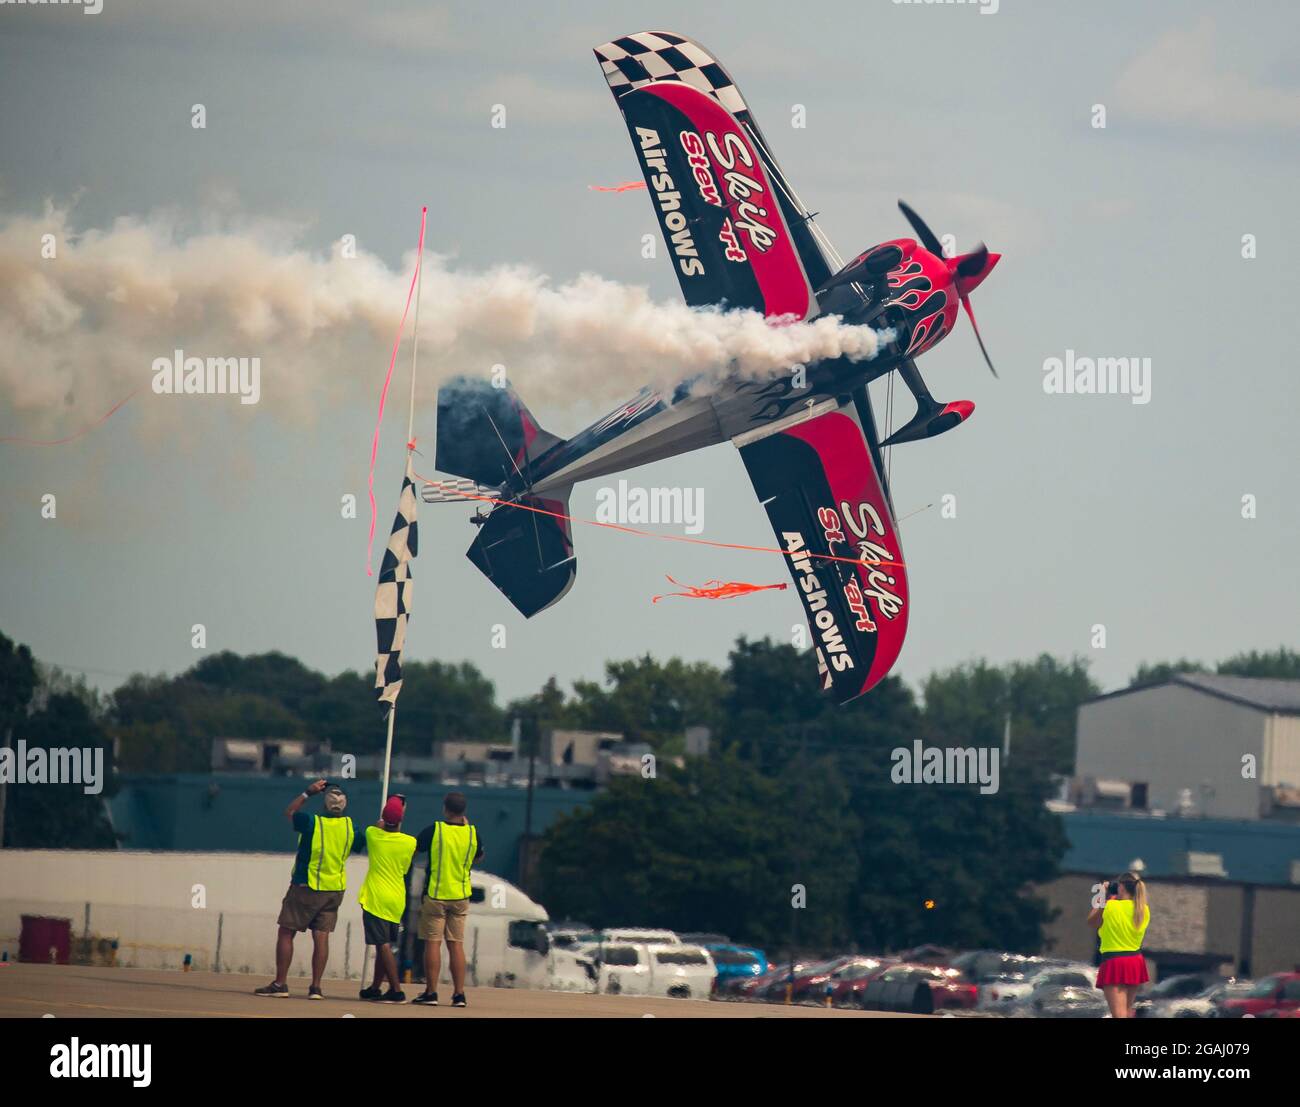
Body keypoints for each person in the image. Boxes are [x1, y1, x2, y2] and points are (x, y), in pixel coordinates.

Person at [255, 780, 356, 999]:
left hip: (306, 886)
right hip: (334, 891)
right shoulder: (351, 828)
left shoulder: (311, 822)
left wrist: (307, 792)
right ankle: (316, 987)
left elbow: (290, 811)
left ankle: (280, 983)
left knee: (286, 932)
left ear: (326, 804)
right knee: (321, 937)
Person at [411, 791, 484, 1008]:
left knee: (433, 943)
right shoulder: (472, 833)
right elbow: (478, 856)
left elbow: (413, 850)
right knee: (456, 945)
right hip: (461, 895)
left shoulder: (435, 830)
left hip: (436, 894)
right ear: (463, 811)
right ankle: (459, 994)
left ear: (445, 809)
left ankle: (431, 992)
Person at [358, 794, 417, 1003]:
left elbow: (378, 825)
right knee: (385, 945)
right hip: (396, 898)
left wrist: (385, 819)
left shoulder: (373, 835)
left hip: (376, 897)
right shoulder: (410, 842)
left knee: (382, 944)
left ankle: (396, 989)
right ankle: (375, 986)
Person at [1087, 870, 1151, 1018]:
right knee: (1127, 1011)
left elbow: (1091, 921)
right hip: (1135, 961)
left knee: (1118, 1015)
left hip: (1114, 961)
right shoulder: (1143, 910)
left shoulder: (1110, 906)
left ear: (1121, 887)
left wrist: (1102, 895)